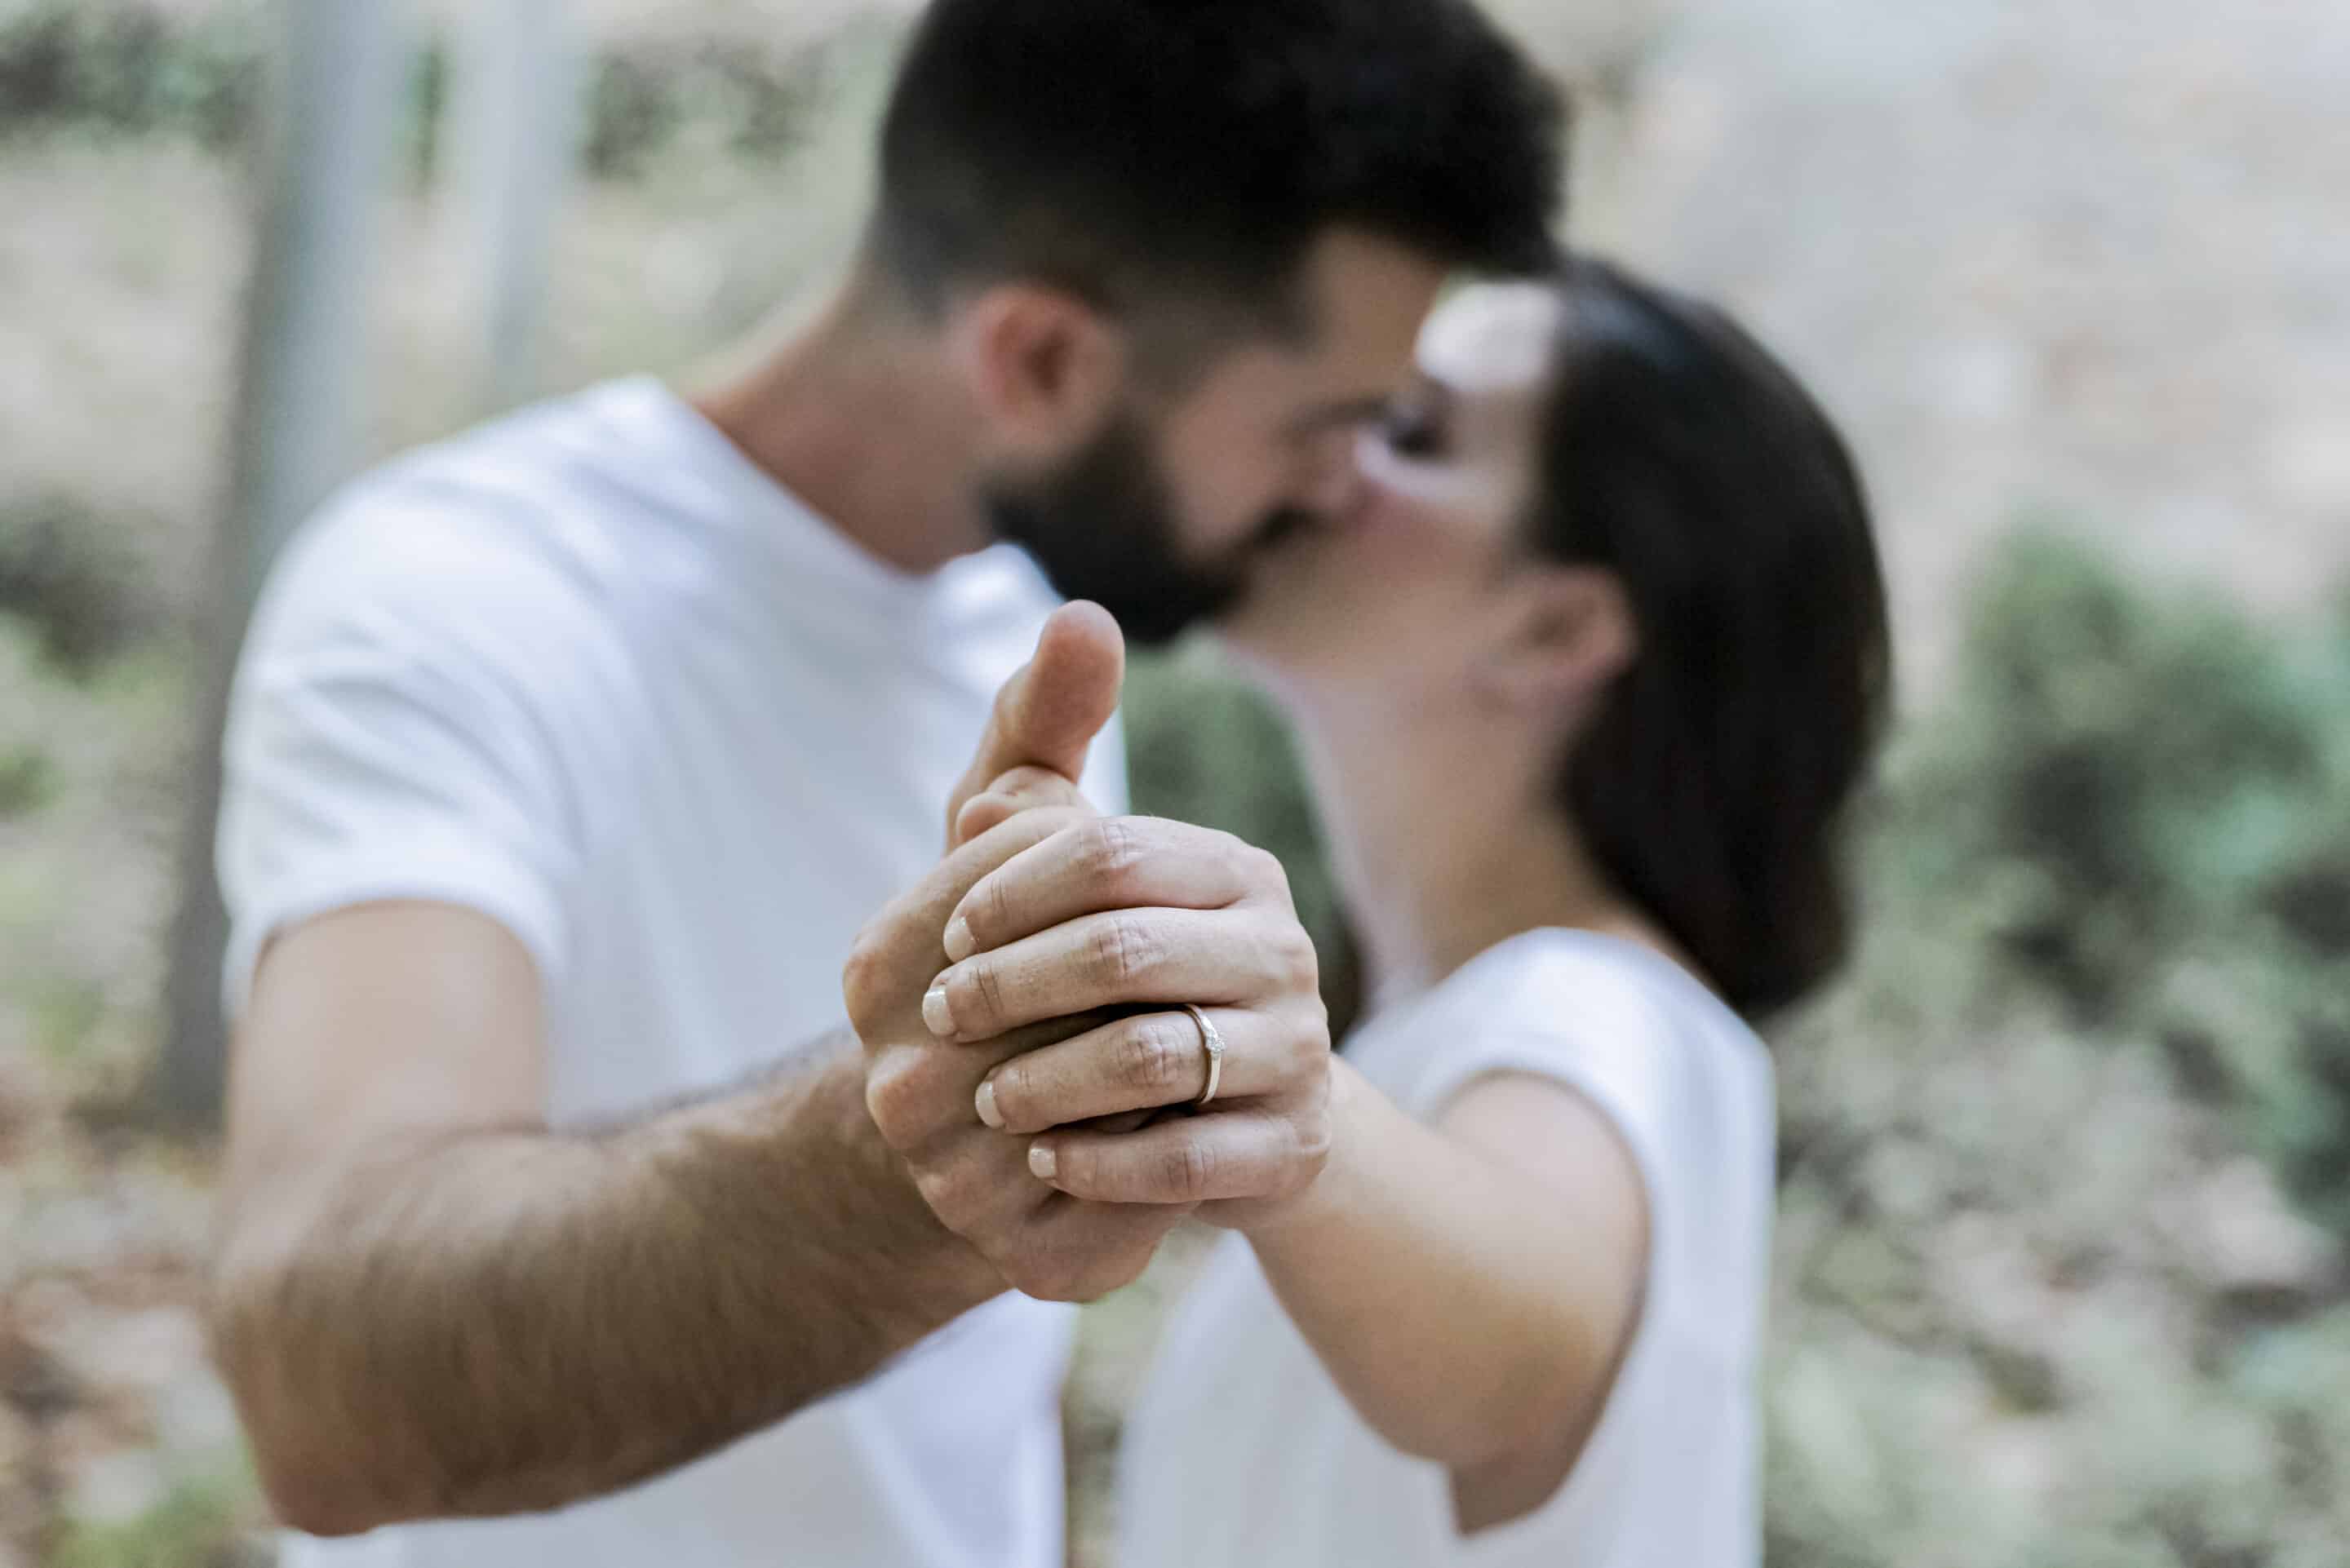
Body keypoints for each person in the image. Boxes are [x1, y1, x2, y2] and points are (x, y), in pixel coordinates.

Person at [202, 3, 1564, 1565]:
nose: (1346, 493)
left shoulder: (1029, 619)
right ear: (1041, 357)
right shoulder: (460, 597)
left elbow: (976, 1399)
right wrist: (905, 1156)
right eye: (1321, 430)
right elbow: (319, 1380)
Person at [902, 259, 1891, 1566]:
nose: (1325, 444)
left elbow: (1511, 1363)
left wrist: (1261, 1096)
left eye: (1408, 428)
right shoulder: (1434, 1042)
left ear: (1557, 627)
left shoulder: (1595, 1018)